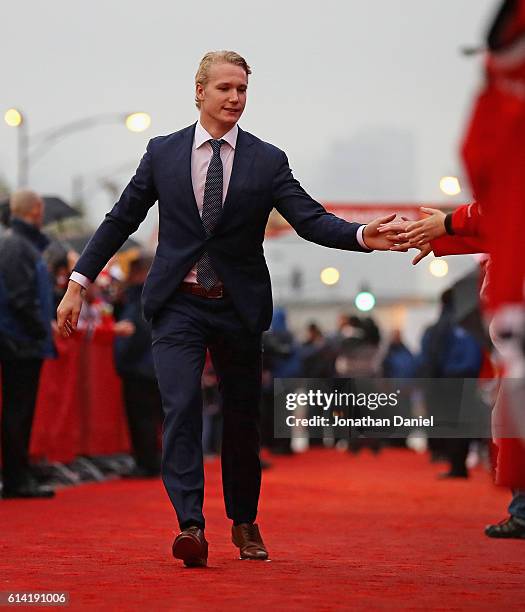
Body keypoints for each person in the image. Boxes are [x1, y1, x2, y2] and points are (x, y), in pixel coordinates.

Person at [57, 50, 404, 566]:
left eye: (242, 90)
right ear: (199, 92)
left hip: (238, 307)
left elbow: (309, 218)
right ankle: (191, 525)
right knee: (180, 405)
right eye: (225, 89)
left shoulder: (267, 160)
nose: (235, 98)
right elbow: (120, 218)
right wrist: (78, 281)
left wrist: (360, 235)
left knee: (242, 418)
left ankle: (244, 521)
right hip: (178, 304)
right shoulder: (163, 153)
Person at [0, 190, 55, 499]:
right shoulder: (16, 246)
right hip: (19, 340)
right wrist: (40, 329)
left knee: (19, 411)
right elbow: (21, 298)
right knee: (17, 411)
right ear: (35, 210)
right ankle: (15, 477)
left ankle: (18, 472)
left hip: (21, 338)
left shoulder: (21, 244)